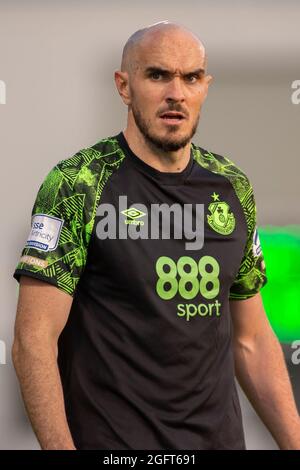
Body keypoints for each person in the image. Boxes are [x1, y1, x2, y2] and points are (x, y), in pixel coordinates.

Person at [12, 21, 300, 450]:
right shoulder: (78, 183)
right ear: (124, 86)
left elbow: (252, 341)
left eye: (191, 77)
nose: (176, 93)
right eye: (158, 75)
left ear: (206, 85)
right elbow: (32, 341)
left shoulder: (232, 186)